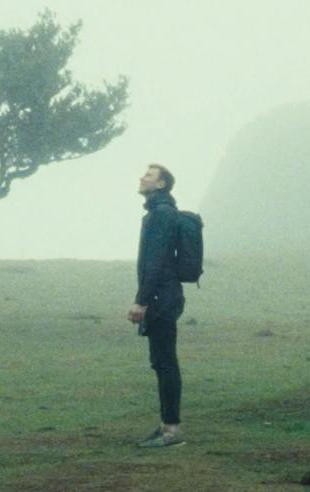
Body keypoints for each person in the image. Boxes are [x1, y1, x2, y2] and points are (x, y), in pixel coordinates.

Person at [127, 162, 185, 448]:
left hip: (162, 297)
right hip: (163, 296)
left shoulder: (161, 215)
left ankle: (172, 431)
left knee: (165, 362)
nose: (142, 178)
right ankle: (166, 425)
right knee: (161, 362)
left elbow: (157, 261)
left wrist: (141, 301)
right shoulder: (158, 213)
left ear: (161, 184)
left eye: (148, 175)